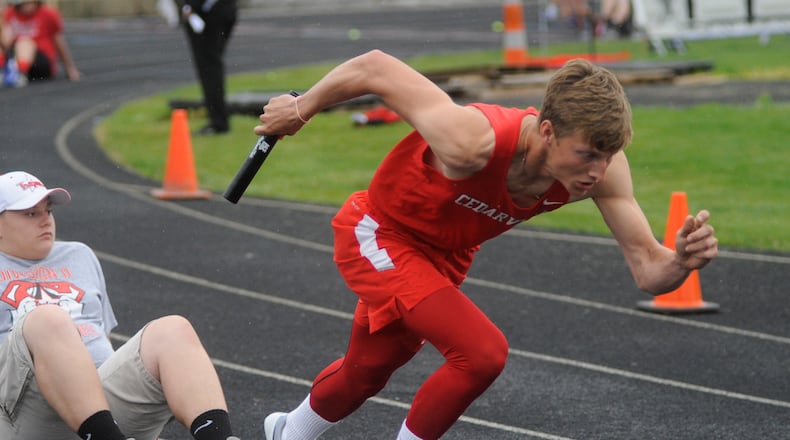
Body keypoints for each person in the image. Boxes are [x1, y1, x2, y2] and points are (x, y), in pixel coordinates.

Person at [253, 50, 719, 440]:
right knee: (481, 354)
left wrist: (681, 260)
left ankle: (286, 432)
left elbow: (647, 269)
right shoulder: (471, 142)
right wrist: (301, 108)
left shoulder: (601, 173)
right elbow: (375, 67)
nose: (597, 170)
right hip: (381, 232)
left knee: (368, 369)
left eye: (607, 155)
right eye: (587, 154)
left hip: (443, 257)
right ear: (549, 131)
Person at [0, 171, 240, 440]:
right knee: (48, 320)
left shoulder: (79, 255)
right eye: (31, 214)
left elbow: (102, 335)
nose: (46, 220)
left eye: (48, 210)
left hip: (101, 414)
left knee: (172, 330)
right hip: (21, 415)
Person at [179, 0, 238, 135]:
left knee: (209, 69)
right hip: (224, 9)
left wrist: (190, 7)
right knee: (211, 67)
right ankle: (218, 119)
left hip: (207, 14)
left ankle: (218, 122)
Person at [0, 0, 80, 87]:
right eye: (25, 4)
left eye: (31, 3)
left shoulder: (48, 14)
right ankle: (6, 72)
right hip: (14, 58)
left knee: (24, 42)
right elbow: (5, 43)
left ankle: (20, 74)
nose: (28, 6)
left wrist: (69, 68)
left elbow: (59, 42)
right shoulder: (8, 14)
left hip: (40, 61)